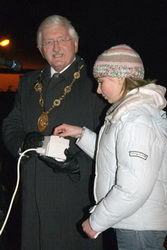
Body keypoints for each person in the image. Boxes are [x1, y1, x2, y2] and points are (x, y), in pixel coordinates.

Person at [2, 15, 108, 250]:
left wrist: (76, 164)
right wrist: (22, 141)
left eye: (62, 40)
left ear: (75, 43)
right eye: (49, 43)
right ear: (40, 50)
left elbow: (110, 139)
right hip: (33, 194)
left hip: (75, 193)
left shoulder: (97, 81)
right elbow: (11, 124)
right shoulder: (29, 81)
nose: (56, 48)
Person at [53, 44, 167, 249]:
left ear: (120, 77)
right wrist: (81, 133)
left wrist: (96, 221)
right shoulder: (128, 115)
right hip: (134, 220)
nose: (97, 89)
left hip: (139, 226)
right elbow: (113, 155)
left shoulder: (135, 120)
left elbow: (134, 187)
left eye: (101, 81)